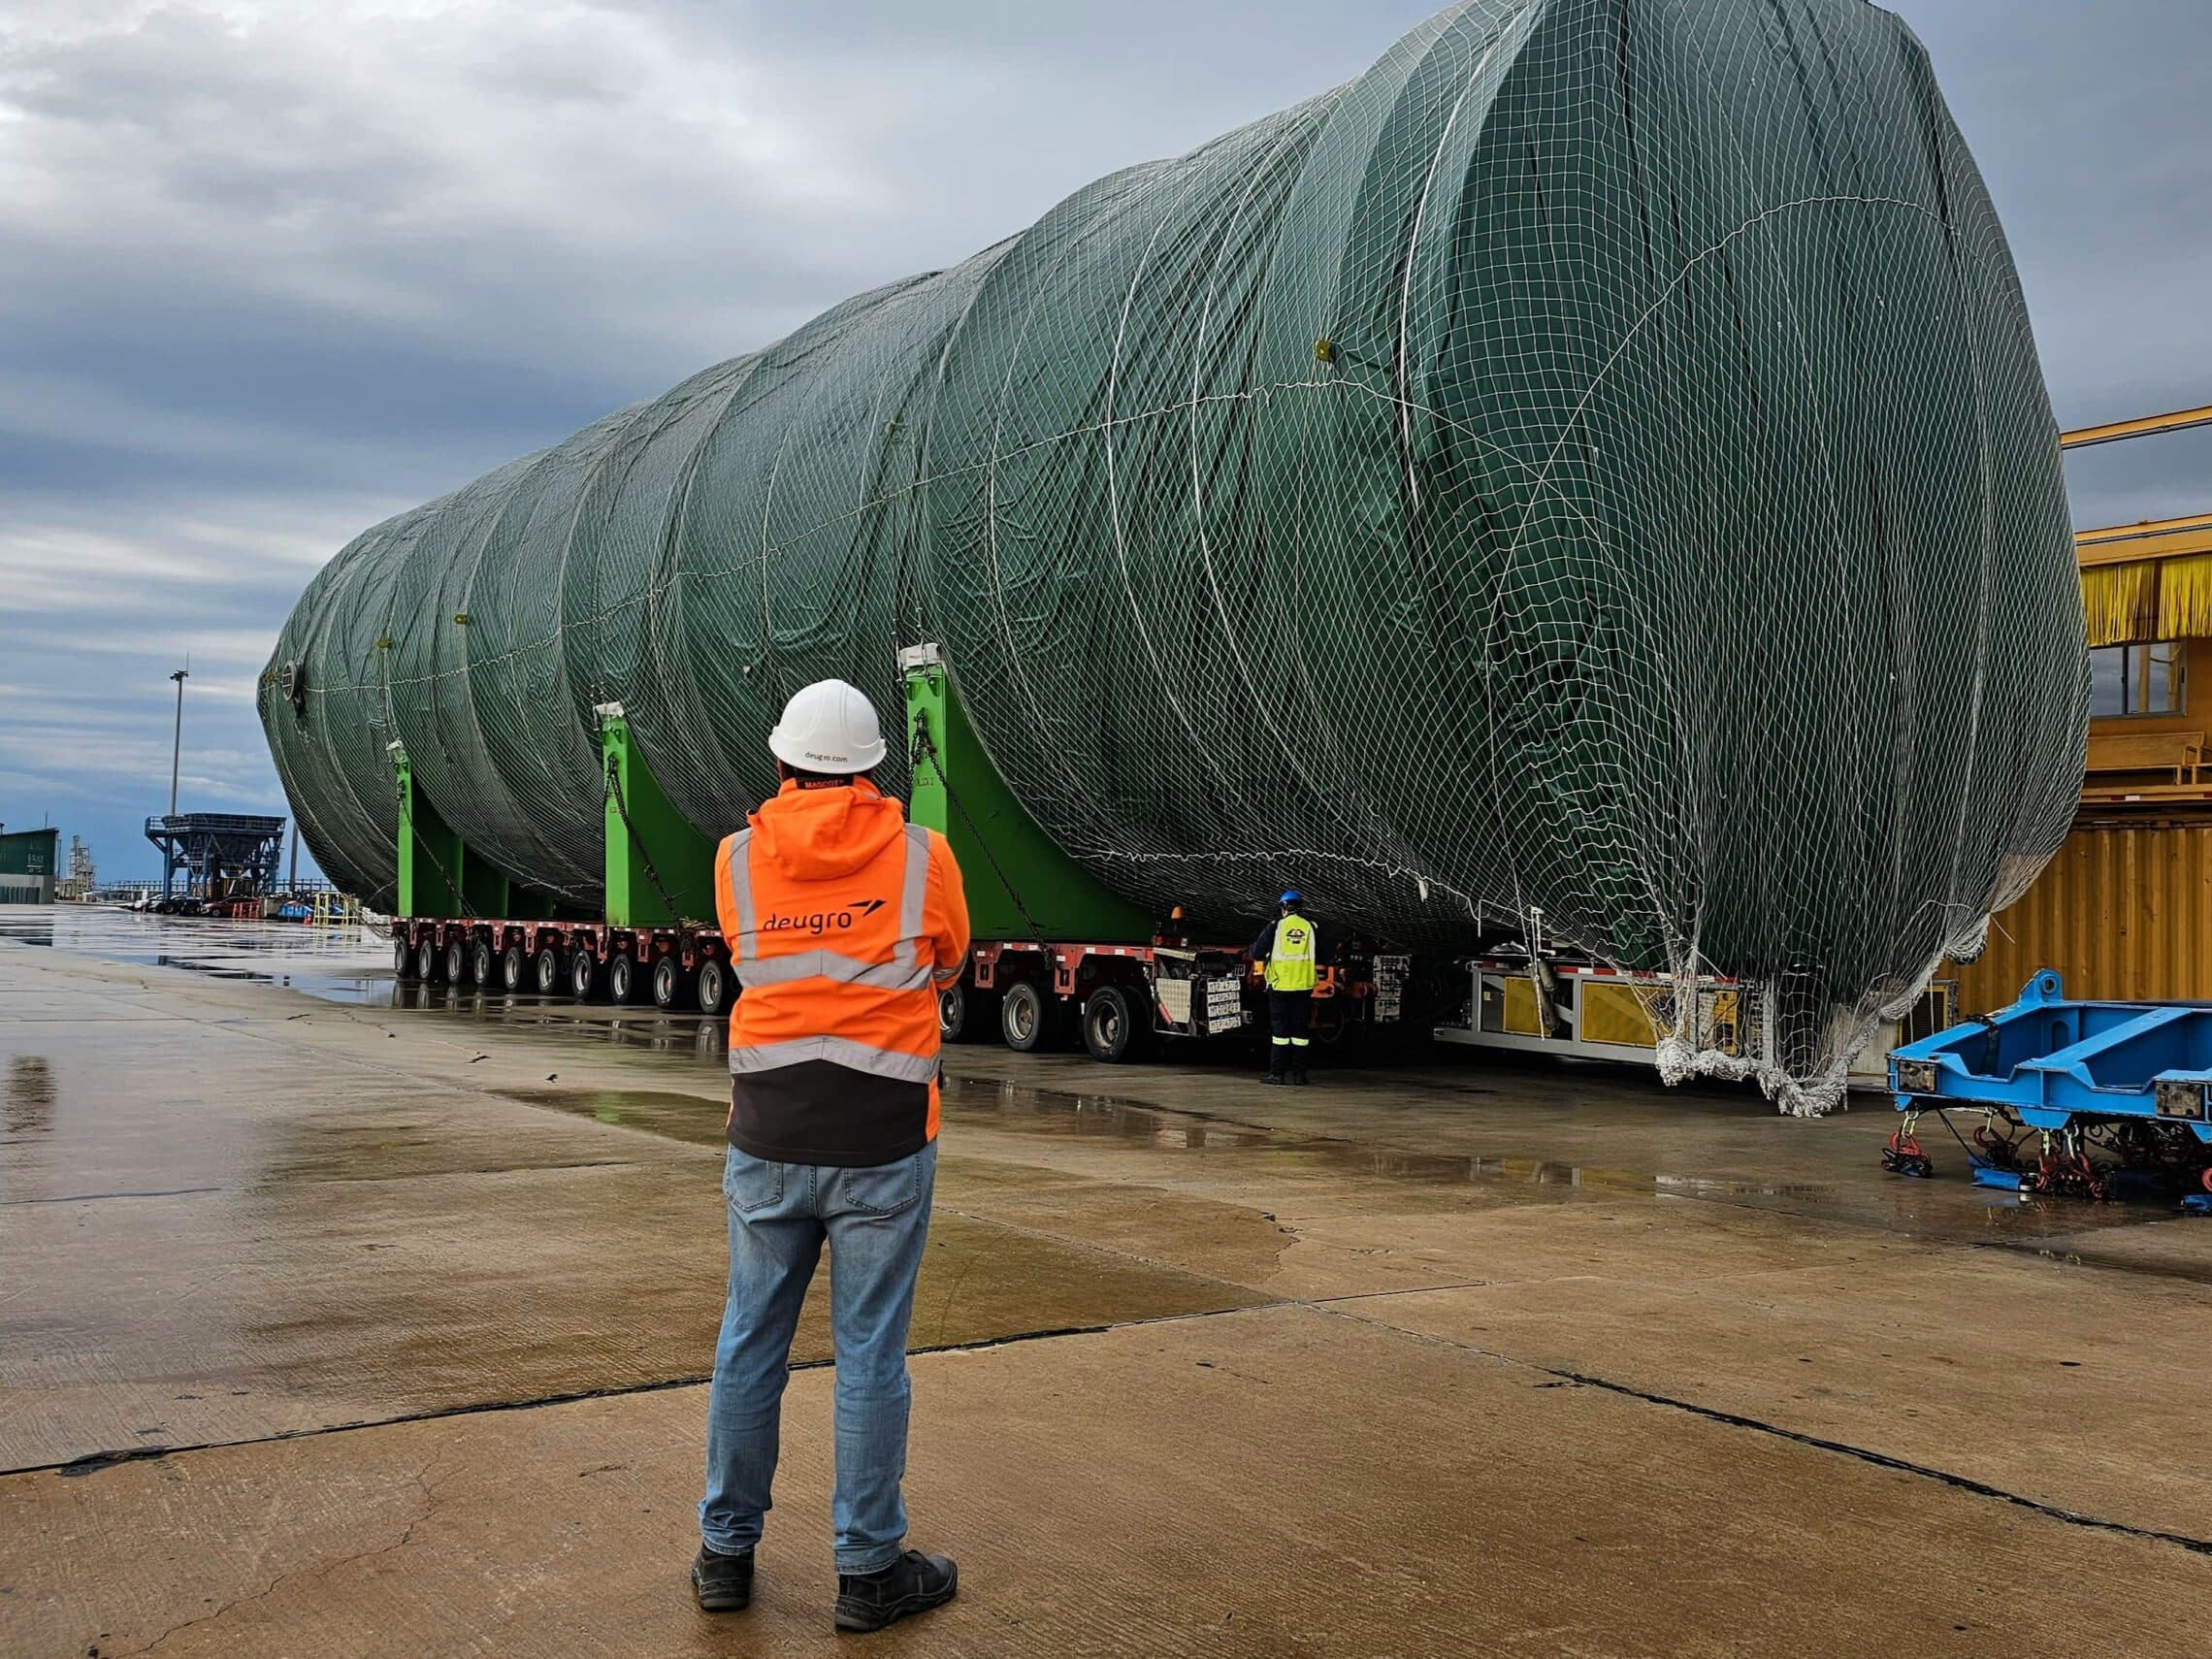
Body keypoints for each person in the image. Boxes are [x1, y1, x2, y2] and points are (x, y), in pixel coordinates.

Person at [694, 677, 970, 1635]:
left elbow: (747, 954)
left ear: (782, 764)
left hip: (769, 1134)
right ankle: (866, 1572)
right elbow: (946, 961)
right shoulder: (924, 859)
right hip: (884, 1139)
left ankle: (725, 1556)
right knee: (869, 1357)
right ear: (871, 771)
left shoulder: (735, 860)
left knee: (749, 1343)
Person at [1250, 890, 1321, 1086]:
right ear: (1300, 908)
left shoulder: (1275, 927)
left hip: (1280, 986)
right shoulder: (1311, 927)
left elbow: (1256, 952)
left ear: (1283, 908)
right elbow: (1325, 954)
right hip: (1303, 986)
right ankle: (1300, 1076)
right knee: (1300, 1032)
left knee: (1280, 1032)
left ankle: (1277, 1074)